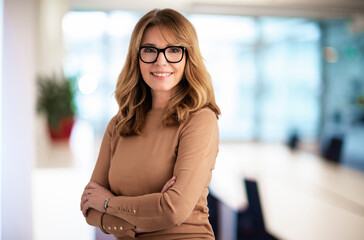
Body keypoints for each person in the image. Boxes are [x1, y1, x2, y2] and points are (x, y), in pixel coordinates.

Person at [80, 8, 220, 239]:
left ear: (188, 57)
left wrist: (108, 202)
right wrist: (144, 217)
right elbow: (89, 208)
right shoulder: (119, 124)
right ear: (137, 58)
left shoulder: (200, 120)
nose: (160, 61)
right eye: (150, 50)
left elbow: (173, 209)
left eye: (173, 50)